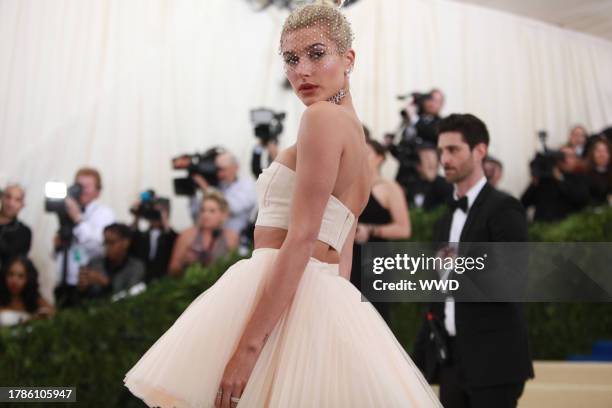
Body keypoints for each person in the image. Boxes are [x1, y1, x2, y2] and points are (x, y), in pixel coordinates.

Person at [124, 2, 441, 407]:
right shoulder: (358, 141)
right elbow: (340, 258)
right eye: (291, 59)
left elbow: (303, 237)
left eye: (316, 54)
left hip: (283, 293)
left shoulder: (321, 119)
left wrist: (249, 349)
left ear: (349, 59)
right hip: (321, 298)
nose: (301, 71)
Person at [413, 114, 533, 408]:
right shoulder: (444, 220)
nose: (445, 159)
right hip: (452, 362)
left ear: (480, 151)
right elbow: (438, 295)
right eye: (442, 151)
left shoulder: (504, 208)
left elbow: (513, 278)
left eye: (454, 150)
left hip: (495, 361)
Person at [350, 138, 411, 323]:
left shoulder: (390, 188)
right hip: (348, 259)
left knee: (375, 317)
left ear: (380, 158)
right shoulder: (348, 186)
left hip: (375, 261)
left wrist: (371, 230)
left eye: (367, 153)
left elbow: (404, 229)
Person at [53, 167, 115, 307]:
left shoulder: (105, 214)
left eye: (86, 187)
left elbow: (99, 248)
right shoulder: (66, 212)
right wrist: (57, 246)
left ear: (97, 192)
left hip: (89, 284)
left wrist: (78, 220)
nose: (81, 191)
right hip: (64, 282)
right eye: (78, 186)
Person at [168, 191, 239, 276]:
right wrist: (185, 262)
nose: (205, 215)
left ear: (223, 215)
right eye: (203, 210)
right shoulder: (187, 235)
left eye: (211, 211)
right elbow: (172, 269)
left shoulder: (231, 237)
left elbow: (235, 270)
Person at [190, 151, 257, 235]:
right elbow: (196, 215)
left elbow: (230, 207)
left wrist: (206, 188)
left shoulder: (247, 186)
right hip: (212, 238)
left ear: (235, 167)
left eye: (222, 169)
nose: (219, 174)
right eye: (217, 169)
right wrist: (192, 194)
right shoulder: (219, 186)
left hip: (237, 238)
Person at [521, 145, 590, 222]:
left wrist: (560, 178)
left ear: (576, 160)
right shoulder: (545, 179)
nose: (565, 160)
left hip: (566, 227)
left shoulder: (579, 178)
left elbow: (581, 198)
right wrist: (534, 184)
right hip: (542, 226)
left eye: (570, 156)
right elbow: (524, 202)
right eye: (562, 156)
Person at [79, 223, 145, 298]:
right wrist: (83, 288)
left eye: (112, 243)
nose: (107, 247)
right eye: (105, 243)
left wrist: (106, 283)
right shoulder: (95, 264)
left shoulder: (136, 267)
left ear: (126, 242)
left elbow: (130, 295)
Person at [130, 198, 178, 283]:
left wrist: (164, 218)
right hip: (143, 278)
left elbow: (173, 240)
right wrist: (137, 215)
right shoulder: (143, 236)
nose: (155, 217)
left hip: (163, 278)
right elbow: (132, 238)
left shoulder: (170, 236)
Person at [0, 256, 55, 327]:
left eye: (21, 276)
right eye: (10, 274)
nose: (14, 281)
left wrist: (35, 318)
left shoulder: (35, 298)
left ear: (29, 279)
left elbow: (52, 312)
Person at [0, 184, 32, 270]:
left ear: (22, 204)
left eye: (17, 200)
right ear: (1, 197)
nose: (11, 203)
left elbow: (15, 261)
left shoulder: (24, 232)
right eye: (8, 197)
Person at [584, 136, 612, 205]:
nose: (602, 154)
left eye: (605, 151)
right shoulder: (585, 174)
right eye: (598, 151)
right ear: (592, 154)